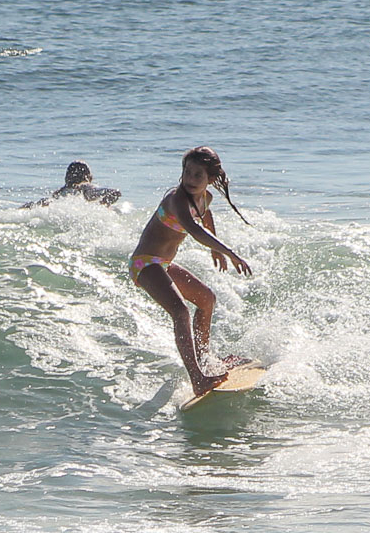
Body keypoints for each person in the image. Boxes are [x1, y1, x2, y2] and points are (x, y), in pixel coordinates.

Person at [129, 146, 253, 396]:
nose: (191, 179)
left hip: (162, 264)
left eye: (198, 175)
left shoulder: (204, 198)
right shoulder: (176, 198)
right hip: (145, 264)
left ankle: (205, 359)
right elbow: (194, 230)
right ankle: (197, 377)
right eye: (187, 172)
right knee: (181, 312)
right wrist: (229, 251)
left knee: (207, 300)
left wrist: (215, 248)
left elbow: (205, 218)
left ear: (211, 179)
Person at [33, 160, 121, 207]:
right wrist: (101, 206)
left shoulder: (59, 193)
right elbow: (115, 193)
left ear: (66, 178)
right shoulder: (86, 187)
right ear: (89, 177)